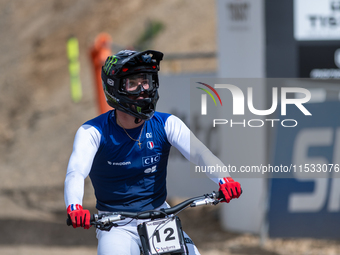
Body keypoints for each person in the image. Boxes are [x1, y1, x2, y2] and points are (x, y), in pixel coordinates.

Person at [64, 49, 242, 255]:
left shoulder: (167, 123)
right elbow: (76, 171)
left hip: (160, 216)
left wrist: (224, 179)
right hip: (115, 225)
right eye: (133, 83)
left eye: (146, 81)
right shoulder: (91, 132)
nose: (142, 90)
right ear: (115, 88)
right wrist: (74, 206)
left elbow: (200, 153)